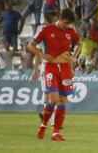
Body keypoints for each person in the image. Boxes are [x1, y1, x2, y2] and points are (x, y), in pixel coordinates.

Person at [27, 9, 82, 141]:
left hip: (65, 68)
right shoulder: (46, 30)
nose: (67, 26)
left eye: (69, 24)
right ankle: (43, 125)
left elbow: (80, 44)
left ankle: (56, 133)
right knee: (53, 100)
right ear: (60, 18)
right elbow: (31, 45)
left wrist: (73, 57)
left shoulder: (70, 32)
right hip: (50, 67)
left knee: (63, 100)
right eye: (66, 23)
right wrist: (42, 55)